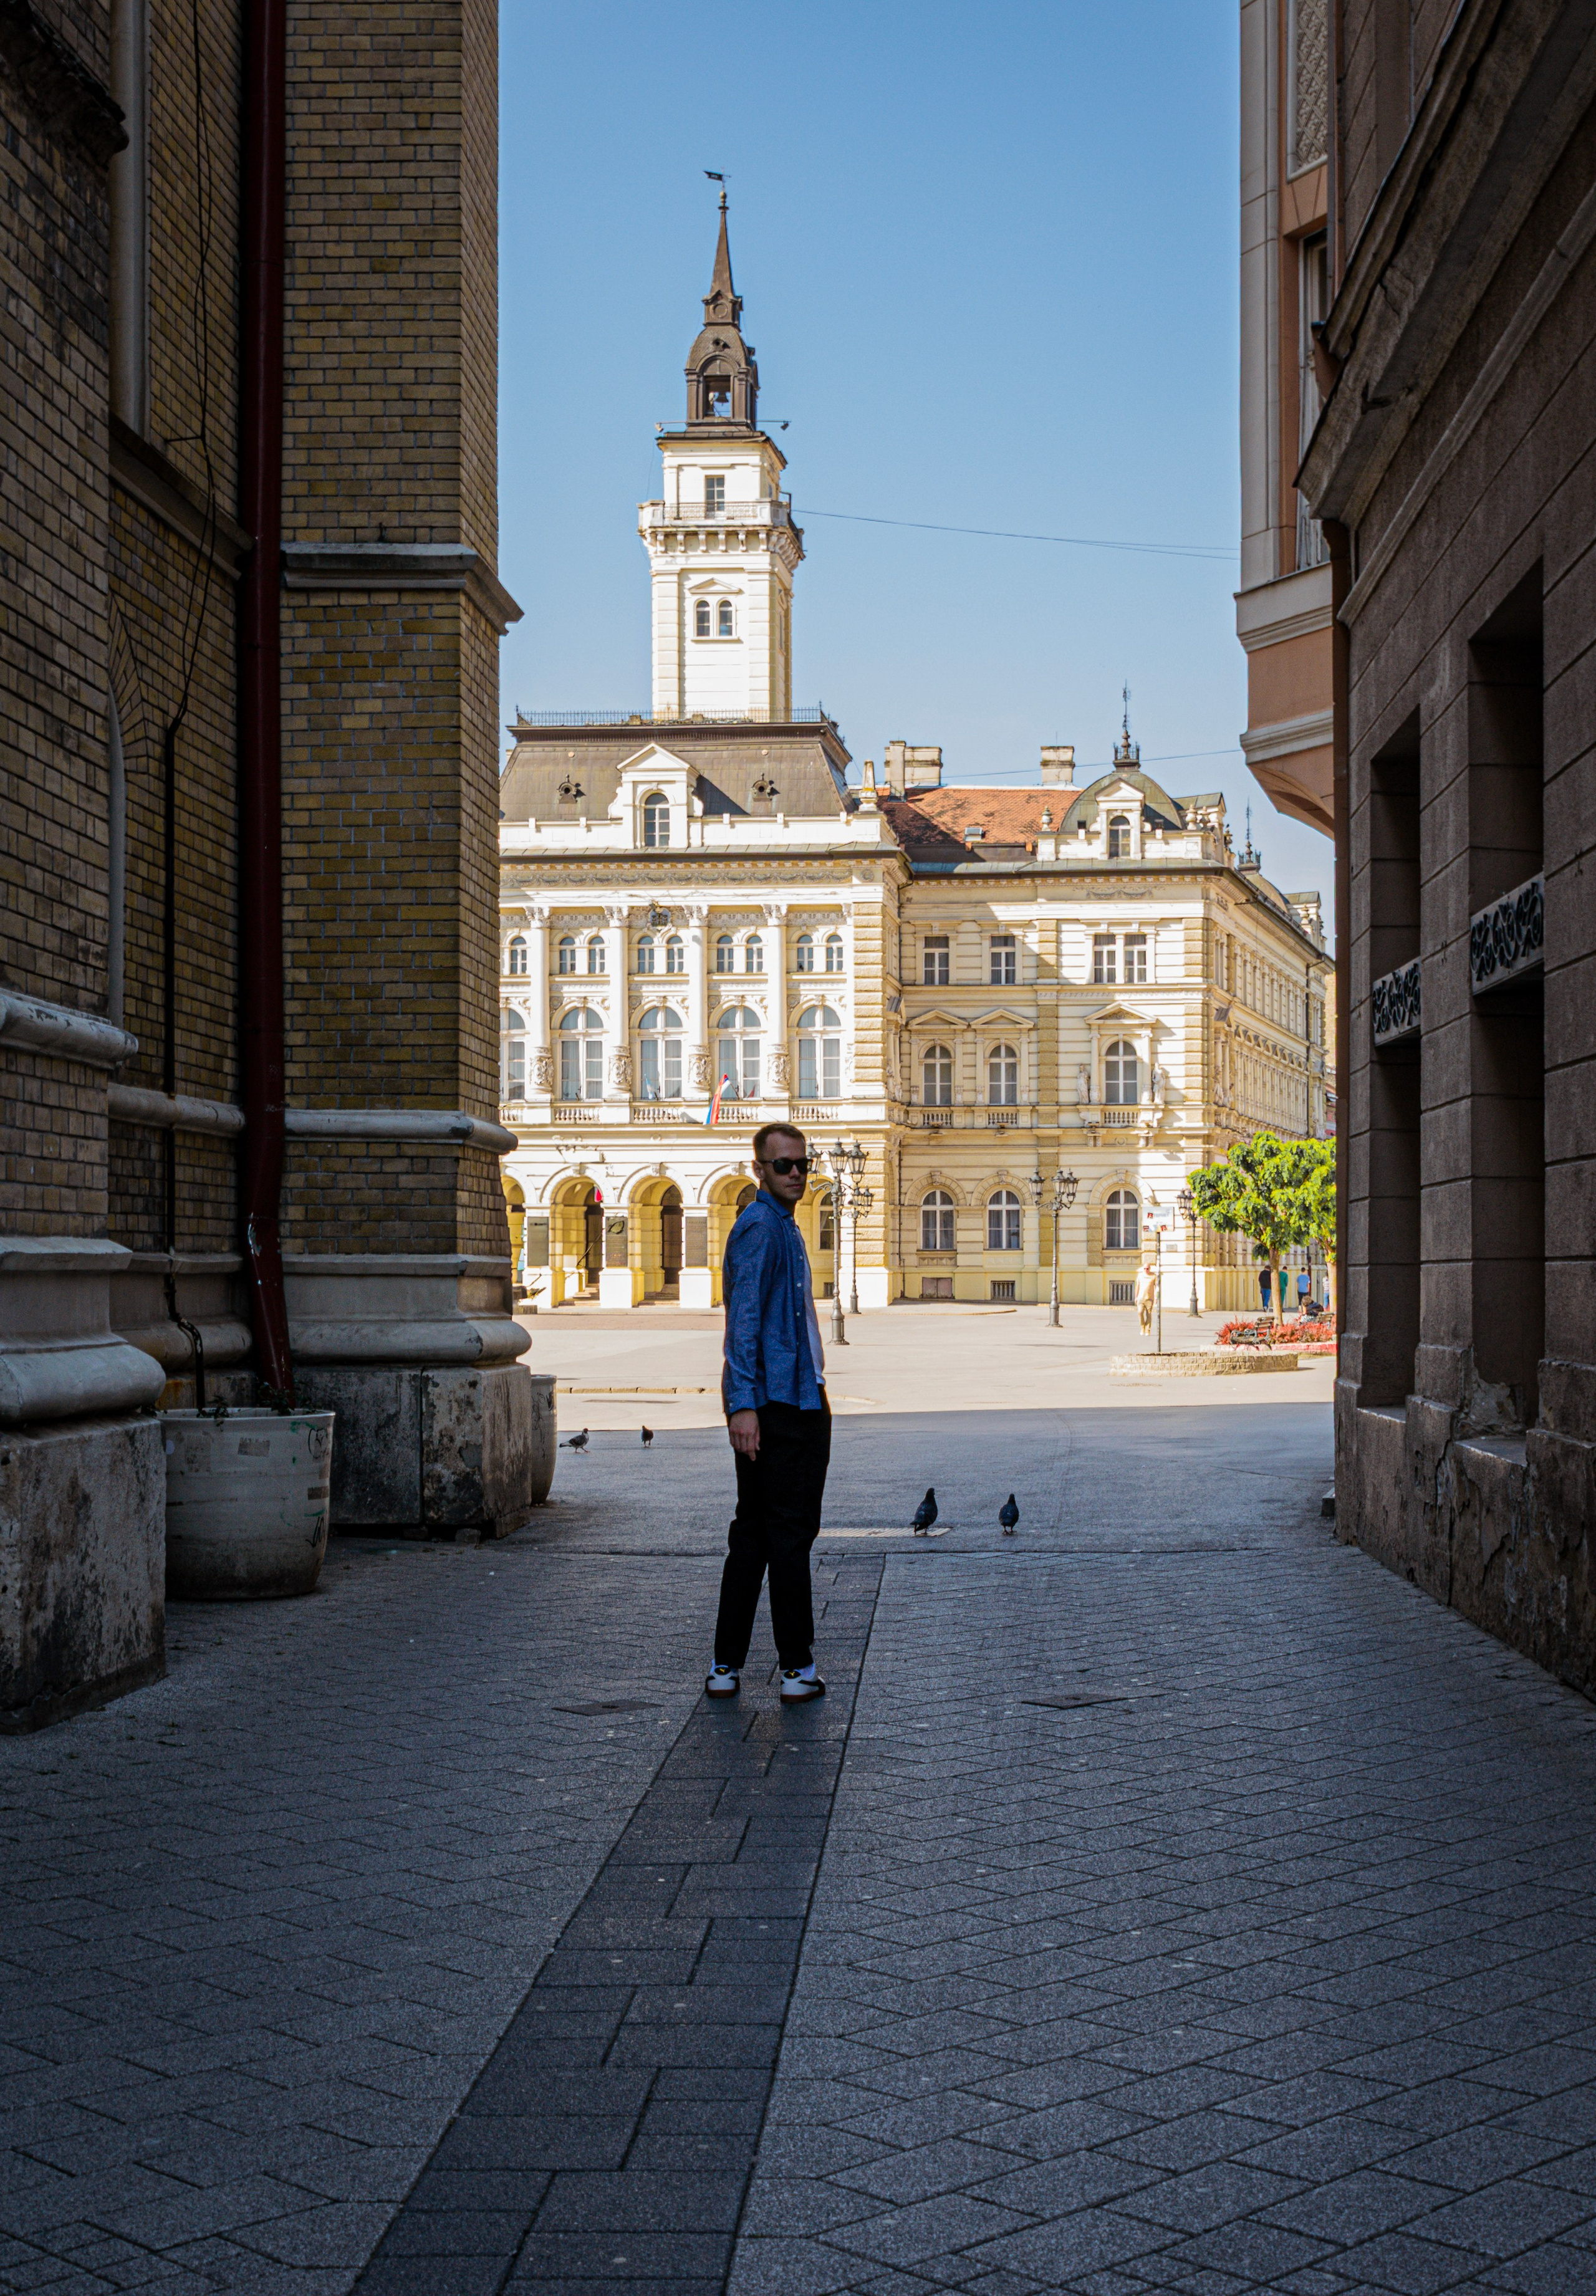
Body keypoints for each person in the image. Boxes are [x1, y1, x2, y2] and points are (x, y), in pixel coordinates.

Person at [706, 1123, 830, 1706]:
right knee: (787, 1535)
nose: (797, 1174)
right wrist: (744, 1404)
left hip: (785, 1399)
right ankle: (796, 1667)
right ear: (759, 1170)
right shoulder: (760, 1226)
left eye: (803, 1164)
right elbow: (744, 1320)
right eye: (784, 1166)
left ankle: (725, 1665)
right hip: (782, 1407)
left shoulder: (783, 1226)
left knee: (754, 1534)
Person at [1135, 1257, 1158, 1337]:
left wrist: (1156, 1297)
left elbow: (1156, 1287)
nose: (1146, 1270)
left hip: (1149, 1299)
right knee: (1140, 1312)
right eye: (1144, 1269)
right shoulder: (1140, 1276)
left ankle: (1148, 1330)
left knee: (1149, 1314)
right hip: (1141, 1298)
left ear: (1150, 1269)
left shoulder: (1153, 1276)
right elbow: (1137, 1286)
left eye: (1147, 1269)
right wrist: (1136, 1297)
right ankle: (1142, 1327)